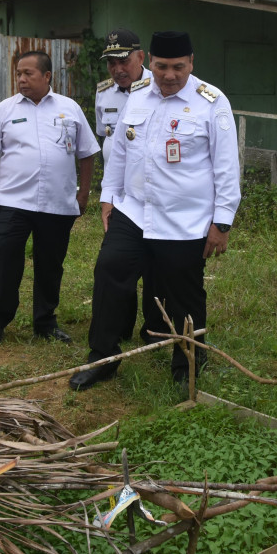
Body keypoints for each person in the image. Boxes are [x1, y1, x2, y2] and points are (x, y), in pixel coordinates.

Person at [70, 30, 241, 392]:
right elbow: (118, 151)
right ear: (150, 61)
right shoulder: (136, 97)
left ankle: (188, 364)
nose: (169, 75)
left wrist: (222, 222)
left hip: (185, 219)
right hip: (133, 210)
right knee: (110, 270)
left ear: (191, 63)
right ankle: (103, 358)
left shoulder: (211, 102)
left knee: (184, 294)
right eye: (162, 66)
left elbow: (226, 167)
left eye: (178, 67)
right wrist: (108, 197)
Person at [0, 50, 100, 345]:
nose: (21, 79)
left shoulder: (70, 108)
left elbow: (87, 153)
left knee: (50, 264)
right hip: (12, 202)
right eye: (19, 73)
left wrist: (83, 193)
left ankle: (45, 322)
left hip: (57, 203)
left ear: (47, 76)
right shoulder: (5, 110)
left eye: (28, 73)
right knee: (4, 261)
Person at [93, 28, 166, 344]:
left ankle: (155, 328)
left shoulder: (160, 86)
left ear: (141, 57)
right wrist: (107, 194)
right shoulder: (104, 92)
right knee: (117, 263)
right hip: (118, 193)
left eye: (123, 60)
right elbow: (106, 137)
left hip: (151, 191)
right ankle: (117, 327)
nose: (117, 69)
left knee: (155, 263)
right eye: (111, 63)